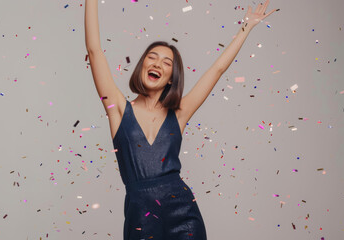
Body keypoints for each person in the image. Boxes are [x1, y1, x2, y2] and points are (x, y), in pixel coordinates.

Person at [84, 0, 278, 239]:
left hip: (183, 213)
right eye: (152, 57)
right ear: (142, 65)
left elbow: (217, 70)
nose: (157, 63)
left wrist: (245, 28)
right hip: (140, 215)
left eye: (167, 63)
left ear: (169, 79)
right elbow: (94, 50)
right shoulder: (117, 109)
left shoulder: (180, 112)